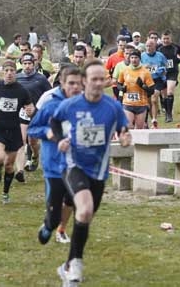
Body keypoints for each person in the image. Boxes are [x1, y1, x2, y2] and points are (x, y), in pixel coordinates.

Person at [50, 59, 132, 284]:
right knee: (84, 211)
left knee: (84, 218)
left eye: (102, 79)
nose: (98, 83)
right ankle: (76, 264)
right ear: (84, 81)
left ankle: (67, 265)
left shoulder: (113, 106)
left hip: (99, 171)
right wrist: (59, 140)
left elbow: (123, 128)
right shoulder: (72, 105)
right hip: (74, 165)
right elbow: (54, 121)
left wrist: (124, 137)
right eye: (93, 79)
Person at [29, 66, 83, 245]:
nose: (75, 87)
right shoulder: (51, 104)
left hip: (77, 163)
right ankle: (49, 225)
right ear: (62, 83)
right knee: (53, 212)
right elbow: (33, 128)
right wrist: (48, 133)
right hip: (54, 165)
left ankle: (62, 228)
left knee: (74, 198)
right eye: (71, 83)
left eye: (79, 83)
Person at [0, 60, 35, 203]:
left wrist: (31, 110)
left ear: (15, 73)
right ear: (2, 72)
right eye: (6, 70)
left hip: (14, 130)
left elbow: (30, 107)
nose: (9, 73)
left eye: (12, 70)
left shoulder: (22, 90)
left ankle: (5, 193)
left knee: (9, 165)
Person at [16, 53, 52, 179]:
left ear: (34, 64)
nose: (27, 66)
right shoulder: (17, 77)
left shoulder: (41, 78)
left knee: (32, 141)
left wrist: (40, 109)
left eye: (29, 64)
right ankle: (21, 169)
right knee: (21, 140)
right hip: (22, 113)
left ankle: (35, 156)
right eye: (25, 64)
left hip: (37, 113)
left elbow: (49, 95)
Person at [117, 50, 155, 129]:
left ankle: (136, 141)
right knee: (128, 126)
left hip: (141, 104)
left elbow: (152, 90)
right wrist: (122, 89)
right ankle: (129, 141)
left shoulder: (145, 72)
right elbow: (118, 84)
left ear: (140, 59)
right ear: (129, 59)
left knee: (139, 129)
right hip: (128, 103)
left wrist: (143, 86)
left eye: (136, 58)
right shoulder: (124, 71)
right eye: (132, 57)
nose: (134, 60)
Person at [141, 38, 167, 128]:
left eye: (150, 46)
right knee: (148, 103)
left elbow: (165, 67)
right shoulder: (142, 56)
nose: (148, 48)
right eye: (147, 46)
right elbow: (138, 67)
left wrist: (162, 71)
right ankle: (153, 121)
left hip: (157, 80)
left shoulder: (160, 55)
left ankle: (154, 119)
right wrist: (144, 67)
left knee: (154, 99)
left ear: (154, 46)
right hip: (146, 81)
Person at [159, 30, 180, 123]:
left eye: (167, 38)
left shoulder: (176, 47)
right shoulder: (159, 48)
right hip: (162, 73)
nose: (165, 40)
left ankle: (169, 114)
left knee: (170, 92)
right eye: (164, 39)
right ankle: (167, 113)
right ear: (161, 39)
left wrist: (179, 60)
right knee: (164, 94)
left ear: (171, 39)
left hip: (173, 72)